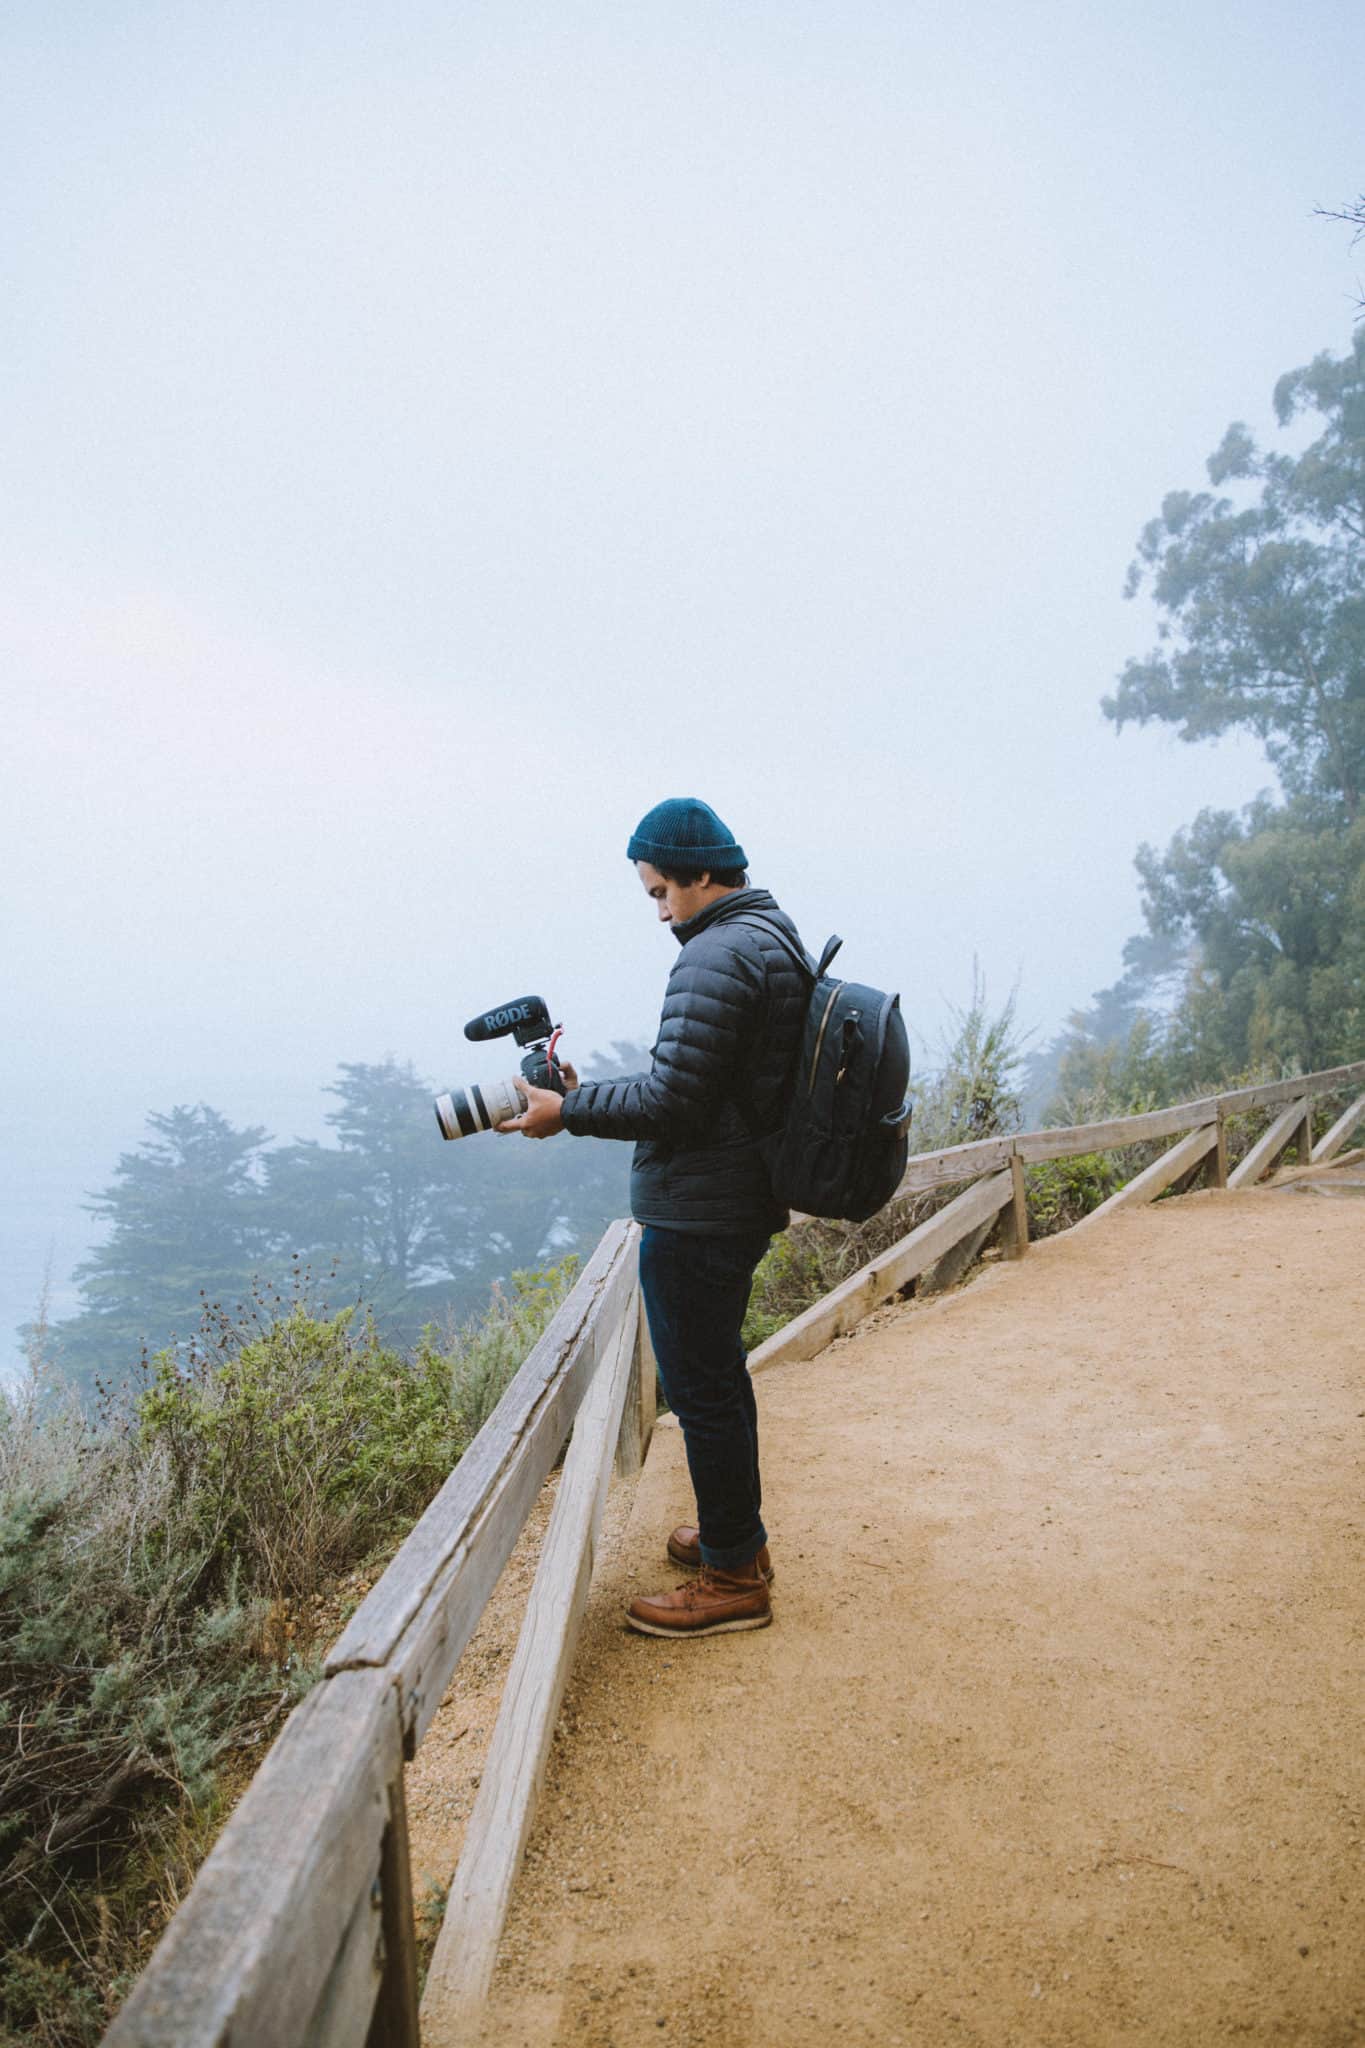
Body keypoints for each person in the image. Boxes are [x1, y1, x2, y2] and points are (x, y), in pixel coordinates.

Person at [497, 797, 809, 1638]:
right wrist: (581, 1096)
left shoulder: (715, 953)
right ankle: (733, 1539)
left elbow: (675, 1098)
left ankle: (733, 1581)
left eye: (660, 891)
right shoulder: (769, 935)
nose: (659, 909)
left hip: (701, 1212)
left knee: (702, 1391)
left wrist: (565, 1110)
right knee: (718, 1382)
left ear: (701, 874)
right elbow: (706, 1084)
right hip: (735, 1197)